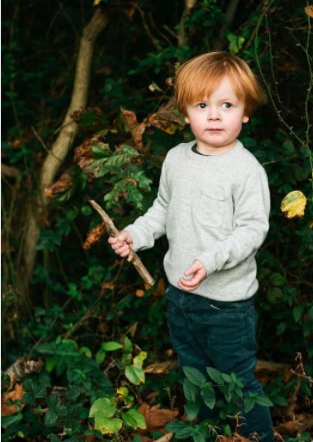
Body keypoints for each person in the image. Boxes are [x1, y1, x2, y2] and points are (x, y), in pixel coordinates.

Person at [108, 51, 274, 441]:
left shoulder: (246, 171)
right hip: (182, 298)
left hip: (227, 304)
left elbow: (252, 231)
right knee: (195, 376)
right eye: (202, 105)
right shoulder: (176, 159)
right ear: (185, 112)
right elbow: (163, 210)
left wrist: (211, 260)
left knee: (238, 382)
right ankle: (211, 434)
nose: (214, 115)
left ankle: (259, 438)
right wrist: (135, 234)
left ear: (245, 112)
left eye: (227, 105)